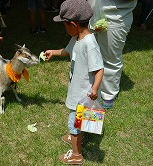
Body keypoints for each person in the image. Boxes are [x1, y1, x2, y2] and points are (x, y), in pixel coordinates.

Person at [43, 0, 104, 164]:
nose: (64, 29)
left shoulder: (89, 44)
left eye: (64, 25)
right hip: (77, 91)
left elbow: (99, 69)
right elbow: (67, 51)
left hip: (83, 95)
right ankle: (77, 137)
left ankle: (76, 155)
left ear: (73, 24)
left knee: (74, 123)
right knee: (80, 121)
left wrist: (95, 89)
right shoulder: (77, 38)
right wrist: (54, 53)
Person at [88, 0, 137, 108]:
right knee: (91, 53)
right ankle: (92, 87)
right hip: (93, 14)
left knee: (110, 58)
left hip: (116, 18)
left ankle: (108, 96)